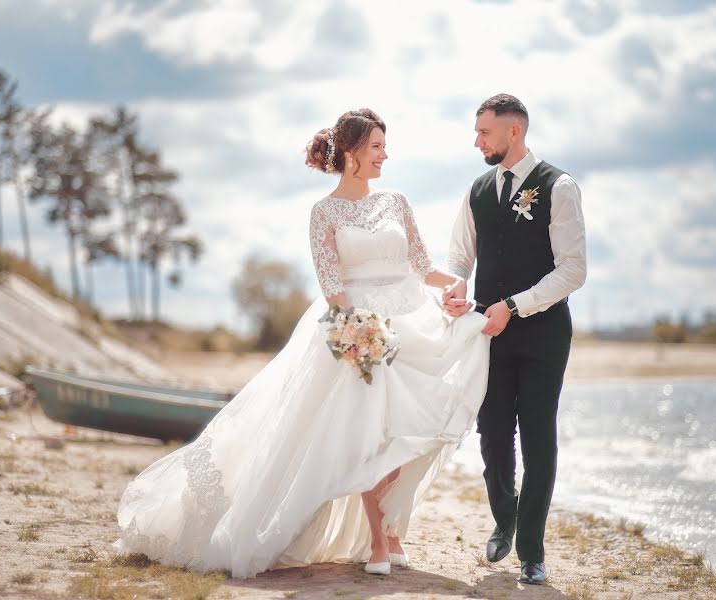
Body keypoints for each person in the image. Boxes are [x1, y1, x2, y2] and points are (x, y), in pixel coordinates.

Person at [113, 108, 491, 578]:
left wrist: (454, 288)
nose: (384, 155)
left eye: (383, 146)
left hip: (412, 323)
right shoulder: (323, 212)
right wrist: (359, 334)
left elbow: (422, 266)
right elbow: (332, 284)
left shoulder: (396, 201)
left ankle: (392, 527)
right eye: (376, 146)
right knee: (367, 437)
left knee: (403, 432)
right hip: (359, 331)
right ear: (351, 153)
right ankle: (377, 541)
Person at [443, 94, 587, 585]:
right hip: (489, 333)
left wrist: (516, 305)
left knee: (538, 438)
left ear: (514, 133)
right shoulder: (478, 189)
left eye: (484, 131)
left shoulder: (559, 186)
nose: (477, 140)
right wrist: (458, 284)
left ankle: (531, 549)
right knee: (493, 433)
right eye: (477, 130)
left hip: (544, 333)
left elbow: (573, 270)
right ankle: (504, 517)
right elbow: (461, 255)